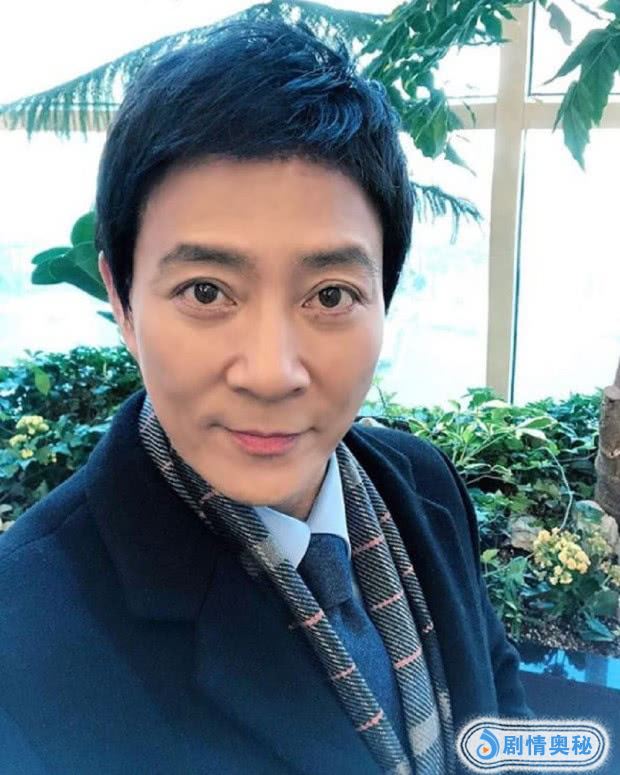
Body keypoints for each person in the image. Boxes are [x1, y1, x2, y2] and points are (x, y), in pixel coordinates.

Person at [0, 18, 532, 775]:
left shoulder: (424, 485)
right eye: (206, 291)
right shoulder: (22, 638)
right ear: (122, 300)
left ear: (385, 295)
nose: (272, 372)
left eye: (331, 294)